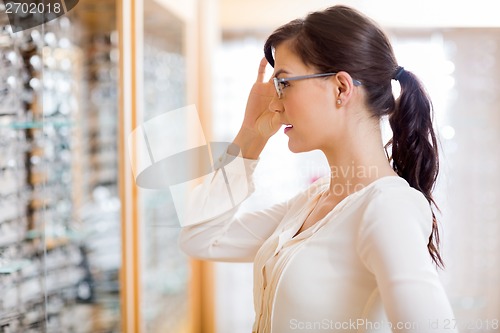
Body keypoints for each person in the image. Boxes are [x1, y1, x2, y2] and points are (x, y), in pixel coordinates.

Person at [179, 5, 456, 333]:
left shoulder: (387, 207)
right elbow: (199, 237)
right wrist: (251, 134)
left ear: (341, 88)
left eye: (283, 83)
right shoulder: (314, 201)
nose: (275, 103)